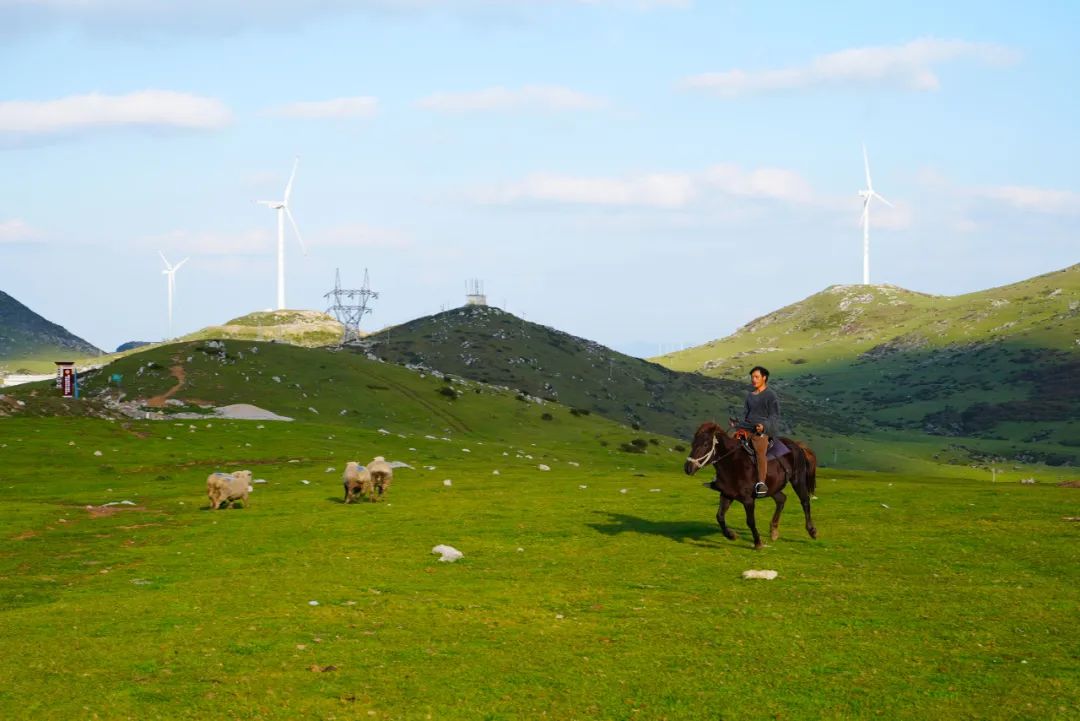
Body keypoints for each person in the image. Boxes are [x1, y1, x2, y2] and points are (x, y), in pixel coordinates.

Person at [738, 366, 781, 498]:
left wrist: (764, 426)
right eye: (752, 377)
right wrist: (737, 424)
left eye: (756, 377)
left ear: (764, 378)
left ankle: (761, 483)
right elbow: (745, 414)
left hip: (761, 431)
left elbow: (774, 415)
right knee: (727, 444)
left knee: (759, 452)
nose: (753, 380)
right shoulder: (750, 396)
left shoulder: (770, 395)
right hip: (746, 428)